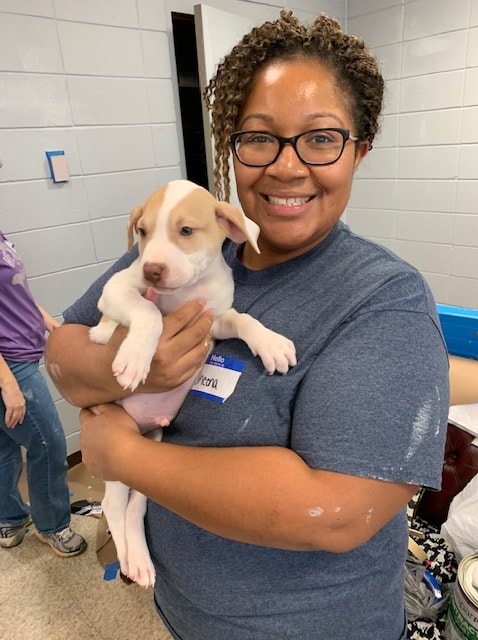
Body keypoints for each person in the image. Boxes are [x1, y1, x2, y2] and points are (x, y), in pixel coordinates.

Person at [46, 11, 449, 640]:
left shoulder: (384, 299)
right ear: (231, 149)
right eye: (259, 138)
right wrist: (122, 366)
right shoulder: (172, 257)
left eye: (321, 138)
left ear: (360, 150)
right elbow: (65, 354)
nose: (287, 167)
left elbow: (337, 512)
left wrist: (121, 453)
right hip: (182, 615)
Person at [0, 230, 87, 556]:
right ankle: (53, 526)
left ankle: (9, 519)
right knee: (48, 442)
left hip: (19, 354)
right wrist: (8, 384)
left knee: (5, 444)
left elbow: (13, 293)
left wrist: (49, 322)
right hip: (9, 364)